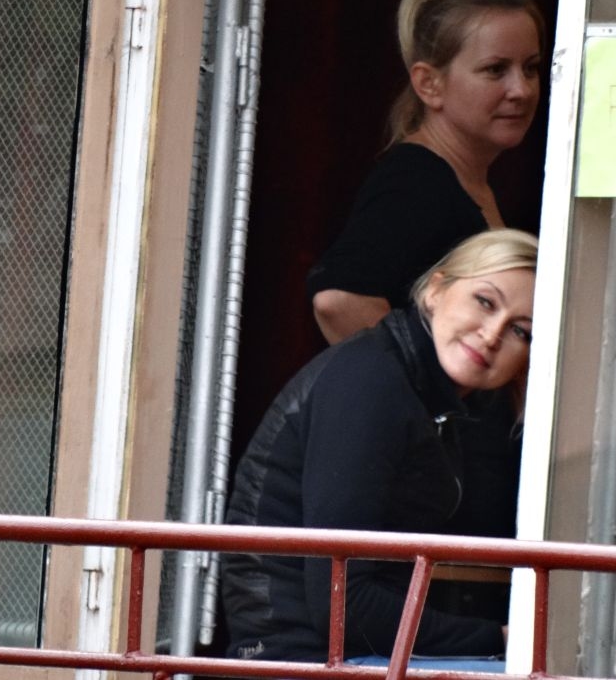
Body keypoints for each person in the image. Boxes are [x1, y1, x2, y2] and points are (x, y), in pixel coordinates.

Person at [222, 229, 538, 667]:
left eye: (521, 331)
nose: (491, 334)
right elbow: (343, 604)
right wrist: (496, 638)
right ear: (435, 291)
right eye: (484, 301)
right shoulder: (372, 383)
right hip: (303, 661)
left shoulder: (429, 396)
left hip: (353, 655)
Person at [307, 0, 544, 345]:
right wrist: (423, 380)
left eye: (531, 68)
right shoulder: (416, 182)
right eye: (495, 69)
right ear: (429, 84)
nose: (522, 89)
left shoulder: (460, 179)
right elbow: (339, 300)